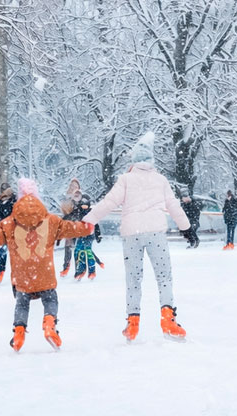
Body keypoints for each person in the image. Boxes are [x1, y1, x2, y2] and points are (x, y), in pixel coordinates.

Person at [83, 131, 198, 342]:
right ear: (151, 160)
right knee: (164, 277)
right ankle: (168, 320)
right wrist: (187, 228)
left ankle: (133, 323)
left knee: (133, 279)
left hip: (131, 234)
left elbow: (109, 202)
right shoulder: (160, 180)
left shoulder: (125, 179)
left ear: (134, 160)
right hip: (156, 233)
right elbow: (173, 205)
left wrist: (89, 220)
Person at [0, 178, 92, 352]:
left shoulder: (9, 224)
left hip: (22, 276)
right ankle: (49, 323)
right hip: (44, 273)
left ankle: (19, 331)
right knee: (50, 298)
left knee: (22, 303)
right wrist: (88, 227)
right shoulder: (51, 221)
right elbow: (72, 228)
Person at [71, 194, 103, 280]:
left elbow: (96, 225)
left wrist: (98, 235)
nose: (84, 207)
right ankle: (80, 269)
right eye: (82, 204)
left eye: (86, 205)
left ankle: (92, 271)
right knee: (78, 250)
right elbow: (73, 223)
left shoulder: (91, 213)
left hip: (89, 235)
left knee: (88, 250)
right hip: (81, 235)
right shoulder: (77, 212)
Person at [0, 183, 15, 284]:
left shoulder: (15, 200)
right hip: (4, 230)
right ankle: (1, 271)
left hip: (15, 229)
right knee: (3, 250)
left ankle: (17, 272)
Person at [58, 178, 83, 276]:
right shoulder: (67, 198)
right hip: (69, 224)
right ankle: (66, 267)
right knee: (68, 246)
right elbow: (65, 211)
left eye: (75, 186)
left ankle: (79, 268)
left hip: (79, 225)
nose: (73, 188)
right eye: (72, 185)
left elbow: (83, 210)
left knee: (78, 248)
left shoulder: (82, 197)